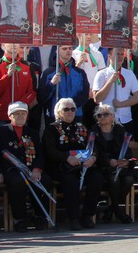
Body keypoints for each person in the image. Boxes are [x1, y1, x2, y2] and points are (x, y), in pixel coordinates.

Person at [0, 101, 52, 232]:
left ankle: (40, 216)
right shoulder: (0, 132)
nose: (21, 116)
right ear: (10, 116)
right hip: (11, 170)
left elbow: (40, 154)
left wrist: (37, 169)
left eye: (23, 114)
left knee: (44, 180)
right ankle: (20, 219)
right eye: (17, 114)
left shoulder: (32, 133)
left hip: (30, 169)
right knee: (18, 182)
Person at [41, 98, 102, 230]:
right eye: (66, 109)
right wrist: (66, 157)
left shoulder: (82, 127)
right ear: (58, 112)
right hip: (62, 166)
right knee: (71, 181)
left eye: (73, 109)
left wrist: (93, 157)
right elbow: (50, 151)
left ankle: (87, 216)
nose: (70, 112)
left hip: (83, 166)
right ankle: (74, 218)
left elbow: (93, 147)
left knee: (96, 177)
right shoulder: (51, 129)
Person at [91, 103, 137, 223]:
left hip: (120, 164)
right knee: (114, 180)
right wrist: (108, 161)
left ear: (112, 116)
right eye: (99, 115)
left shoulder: (120, 130)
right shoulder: (94, 131)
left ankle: (112, 209)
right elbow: (94, 152)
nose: (102, 117)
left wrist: (126, 161)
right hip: (103, 166)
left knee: (129, 179)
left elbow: (128, 150)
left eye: (106, 114)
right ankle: (118, 211)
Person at [92, 51, 138, 133]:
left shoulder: (129, 74)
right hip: (107, 120)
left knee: (126, 145)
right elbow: (97, 99)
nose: (120, 56)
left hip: (126, 120)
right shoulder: (101, 74)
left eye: (122, 54)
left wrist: (121, 104)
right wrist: (110, 81)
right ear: (109, 56)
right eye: (117, 54)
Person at [0, 43, 37, 128]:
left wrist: (20, 105)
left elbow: (32, 91)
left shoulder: (28, 66)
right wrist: (7, 76)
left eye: (17, 43)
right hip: (3, 115)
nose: (14, 45)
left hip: (21, 114)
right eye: (10, 42)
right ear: (3, 45)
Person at [40, 44, 89, 123]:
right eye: (64, 49)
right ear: (57, 51)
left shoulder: (80, 72)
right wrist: (52, 84)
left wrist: (70, 107)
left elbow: (85, 94)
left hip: (75, 114)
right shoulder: (48, 73)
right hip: (54, 115)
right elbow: (41, 97)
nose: (68, 51)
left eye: (70, 48)